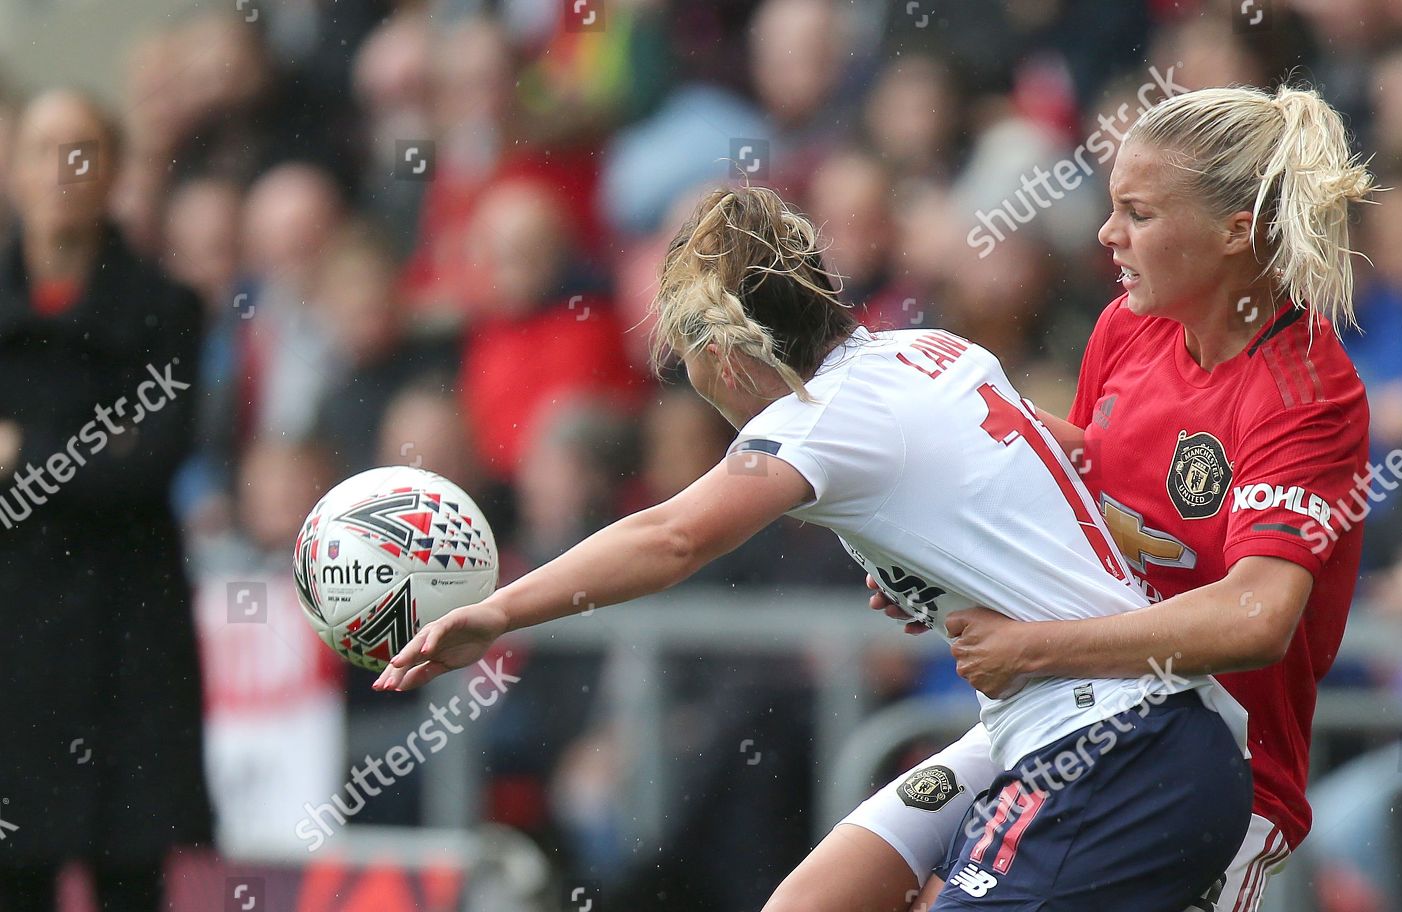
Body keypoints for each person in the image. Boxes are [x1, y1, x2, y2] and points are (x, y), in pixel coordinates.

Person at [375, 184, 1253, 910]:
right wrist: (928, 573)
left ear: (727, 351)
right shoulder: (929, 347)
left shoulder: (821, 419)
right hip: (1091, 727)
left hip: (1116, 753)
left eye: (687, 361)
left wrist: (495, 612)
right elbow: (1039, 473)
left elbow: (672, 536)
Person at [826, 83, 1373, 912]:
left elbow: (1255, 619)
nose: (1106, 234)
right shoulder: (1130, 325)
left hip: (1210, 776)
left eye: (1139, 214)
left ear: (1235, 230)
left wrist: (1031, 648)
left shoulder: (1306, 394)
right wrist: (932, 566)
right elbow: (1062, 502)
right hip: (1061, 722)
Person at [0, 90, 211, 910]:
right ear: (15, 168)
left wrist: (19, 449)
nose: (64, 171)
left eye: (84, 149)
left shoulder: (163, 311)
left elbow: (149, 461)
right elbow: (117, 459)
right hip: (14, 656)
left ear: (115, 170)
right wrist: (92, 450)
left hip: (129, 649)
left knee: (131, 877)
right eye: (45, 149)